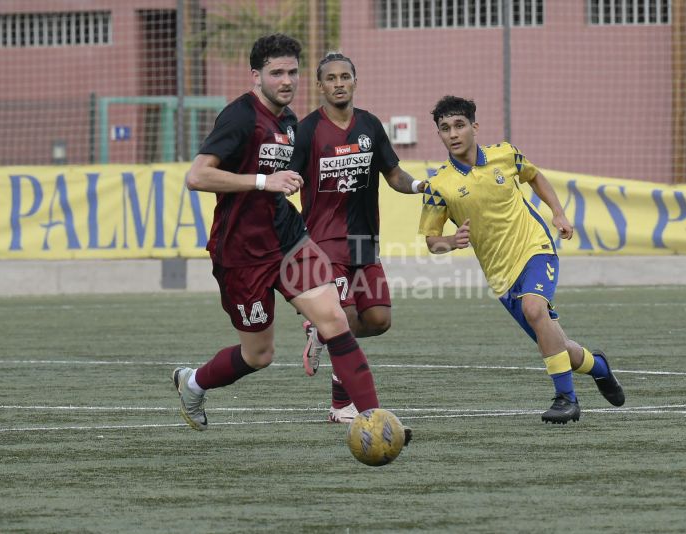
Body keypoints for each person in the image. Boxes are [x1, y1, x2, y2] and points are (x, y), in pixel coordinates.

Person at [171, 34, 381, 431]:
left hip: (288, 242)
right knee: (258, 355)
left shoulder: (287, 119)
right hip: (241, 254)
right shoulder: (240, 117)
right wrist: (264, 183)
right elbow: (197, 176)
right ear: (256, 75)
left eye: (293, 72)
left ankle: (372, 417)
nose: (287, 81)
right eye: (277, 72)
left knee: (335, 320)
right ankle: (193, 382)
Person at [419, 96, 625, 424]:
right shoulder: (438, 185)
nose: (453, 134)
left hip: (535, 248)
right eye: (445, 129)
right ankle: (598, 367)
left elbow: (535, 176)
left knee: (534, 308)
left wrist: (558, 213)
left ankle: (566, 400)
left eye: (459, 126)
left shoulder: (505, 154)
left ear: (475, 127)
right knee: (557, 346)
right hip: (501, 277)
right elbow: (432, 242)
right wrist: (450, 241)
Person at [288, 52, 425, 423]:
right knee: (343, 319)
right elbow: (287, 179)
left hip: (364, 241)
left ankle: (320, 332)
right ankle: (339, 405)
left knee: (379, 319)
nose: (338, 83)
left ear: (354, 81)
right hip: (323, 243)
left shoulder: (370, 125)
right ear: (320, 86)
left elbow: (393, 174)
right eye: (330, 78)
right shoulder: (307, 131)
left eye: (344, 76)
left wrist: (420, 185)